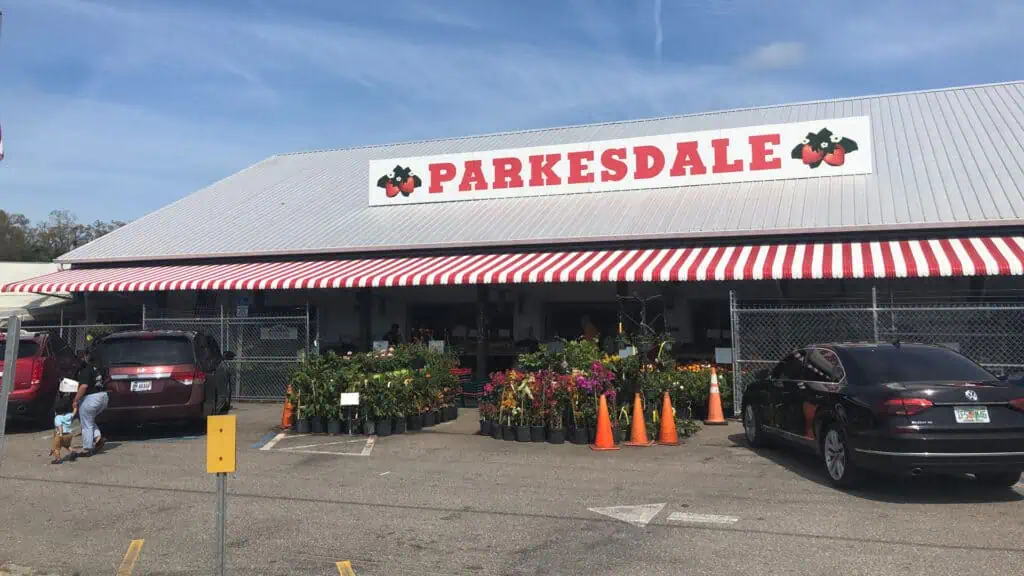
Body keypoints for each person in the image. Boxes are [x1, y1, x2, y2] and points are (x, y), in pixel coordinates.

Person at [72, 350, 108, 457]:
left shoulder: (85, 370)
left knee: (86, 424)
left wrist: (75, 400)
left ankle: (87, 448)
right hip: (103, 397)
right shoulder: (97, 369)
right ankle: (98, 438)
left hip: (91, 399)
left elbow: (84, 387)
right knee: (88, 419)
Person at [50, 393, 76, 464]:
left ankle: (58, 459)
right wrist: (75, 407)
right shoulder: (68, 415)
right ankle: (73, 451)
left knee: (56, 448)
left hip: (61, 435)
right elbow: (74, 413)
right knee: (67, 445)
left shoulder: (57, 418)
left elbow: (59, 426)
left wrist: (60, 433)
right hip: (69, 435)